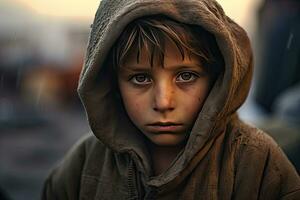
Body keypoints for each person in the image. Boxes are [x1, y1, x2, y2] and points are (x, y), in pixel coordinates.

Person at [42, 0, 300, 199]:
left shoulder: (256, 162)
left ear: (217, 77)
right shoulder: (85, 162)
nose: (164, 102)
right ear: (113, 84)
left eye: (186, 76)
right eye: (141, 79)